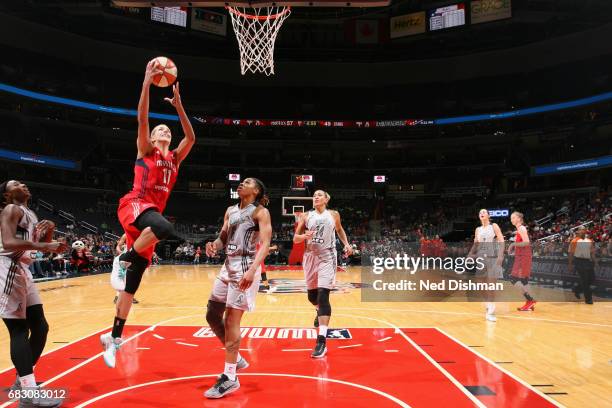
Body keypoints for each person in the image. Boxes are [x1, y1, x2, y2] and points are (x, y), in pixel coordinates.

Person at [101, 60, 196, 368]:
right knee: (165, 226)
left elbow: (191, 137)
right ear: (153, 138)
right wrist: (145, 83)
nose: (164, 130)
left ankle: (113, 338)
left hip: (147, 225)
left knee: (131, 287)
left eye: (167, 129)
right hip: (136, 205)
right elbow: (142, 118)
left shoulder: (176, 158)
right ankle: (124, 257)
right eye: (160, 129)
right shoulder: (146, 150)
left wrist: (179, 106)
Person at [0, 180, 68, 407]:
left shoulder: (30, 213)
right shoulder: (11, 209)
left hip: (23, 270)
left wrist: (49, 233)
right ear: (8, 194)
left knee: (40, 327)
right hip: (7, 268)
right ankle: (29, 394)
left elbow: (36, 249)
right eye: (16, 184)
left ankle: (23, 381)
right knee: (19, 330)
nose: (23, 184)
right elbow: (9, 242)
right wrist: (44, 247)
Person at [204, 178, 272, 399]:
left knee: (232, 320)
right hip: (227, 266)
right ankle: (237, 358)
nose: (242, 184)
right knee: (212, 315)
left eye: (248, 182)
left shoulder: (260, 212)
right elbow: (224, 236)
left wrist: (253, 271)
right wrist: (214, 245)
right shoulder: (230, 210)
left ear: (257, 191)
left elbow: (265, 244)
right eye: (242, 182)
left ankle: (230, 377)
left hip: (244, 267)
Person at [293, 190, 353, 358]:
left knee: (322, 295)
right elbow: (295, 239)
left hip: (327, 256)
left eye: (319, 195)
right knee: (312, 297)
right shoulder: (305, 216)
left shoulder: (333, 214)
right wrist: (304, 235)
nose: (316, 197)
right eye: (314, 195)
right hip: (310, 256)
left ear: (327, 199)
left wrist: (346, 244)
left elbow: (339, 230)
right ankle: (318, 310)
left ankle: (321, 341)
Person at [467, 209, 504, 322]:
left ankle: (491, 311)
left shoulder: (494, 226)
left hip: (492, 258)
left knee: (490, 285)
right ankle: (489, 304)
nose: (482, 213)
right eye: (480, 213)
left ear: (488, 215)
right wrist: (470, 254)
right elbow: (476, 244)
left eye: (484, 212)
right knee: (480, 284)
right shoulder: (478, 229)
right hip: (481, 259)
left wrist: (500, 256)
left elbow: (501, 240)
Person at [507, 212, 536, 311]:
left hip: (524, 257)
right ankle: (529, 303)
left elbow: (526, 242)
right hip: (522, 256)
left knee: (513, 278)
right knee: (523, 280)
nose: (511, 220)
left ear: (519, 218)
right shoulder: (519, 229)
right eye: (511, 218)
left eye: (513, 217)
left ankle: (530, 300)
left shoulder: (522, 228)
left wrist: (512, 245)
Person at [569, 228, 596, 304]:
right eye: (581, 230)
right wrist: (570, 264)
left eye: (584, 230)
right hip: (578, 261)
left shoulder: (589, 241)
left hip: (588, 261)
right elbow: (571, 253)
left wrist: (595, 262)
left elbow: (592, 252)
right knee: (585, 280)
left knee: (592, 279)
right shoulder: (574, 241)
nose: (583, 231)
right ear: (578, 232)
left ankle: (577, 289)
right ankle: (588, 299)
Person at [112, 234, 138, 305]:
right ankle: (119, 297)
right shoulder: (126, 235)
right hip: (125, 259)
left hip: (133, 259)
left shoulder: (140, 234)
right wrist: (121, 253)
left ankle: (125, 297)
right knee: (123, 278)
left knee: (130, 279)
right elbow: (118, 246)